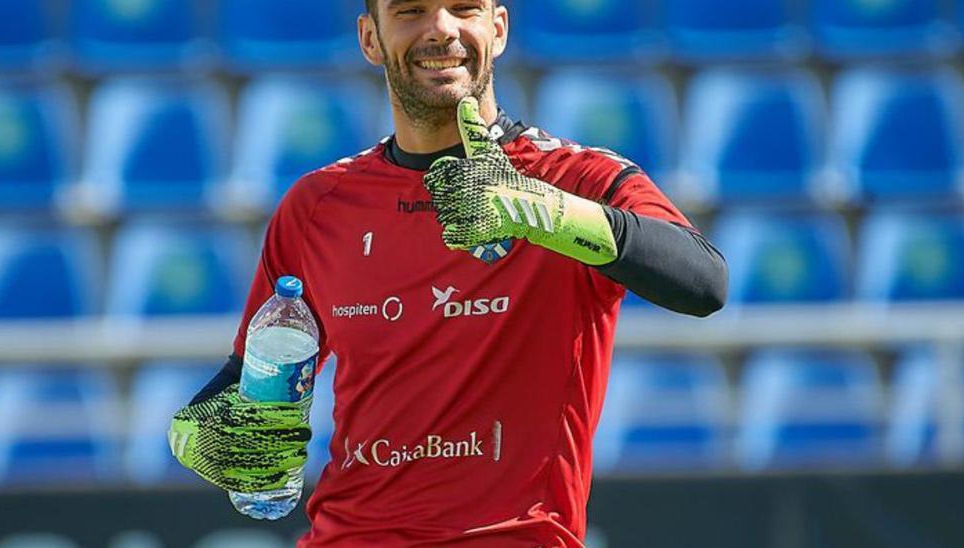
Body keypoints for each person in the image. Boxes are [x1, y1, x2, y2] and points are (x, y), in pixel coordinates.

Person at [169, 0, 729, 545]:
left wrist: (544, 213)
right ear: (370, 38)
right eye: (410, 10)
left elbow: (704, 282)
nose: (441, 29)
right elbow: (249, 383)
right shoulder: (318, 205)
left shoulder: (574, 179)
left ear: (499, 28)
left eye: (464, 8)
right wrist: (198, 435)